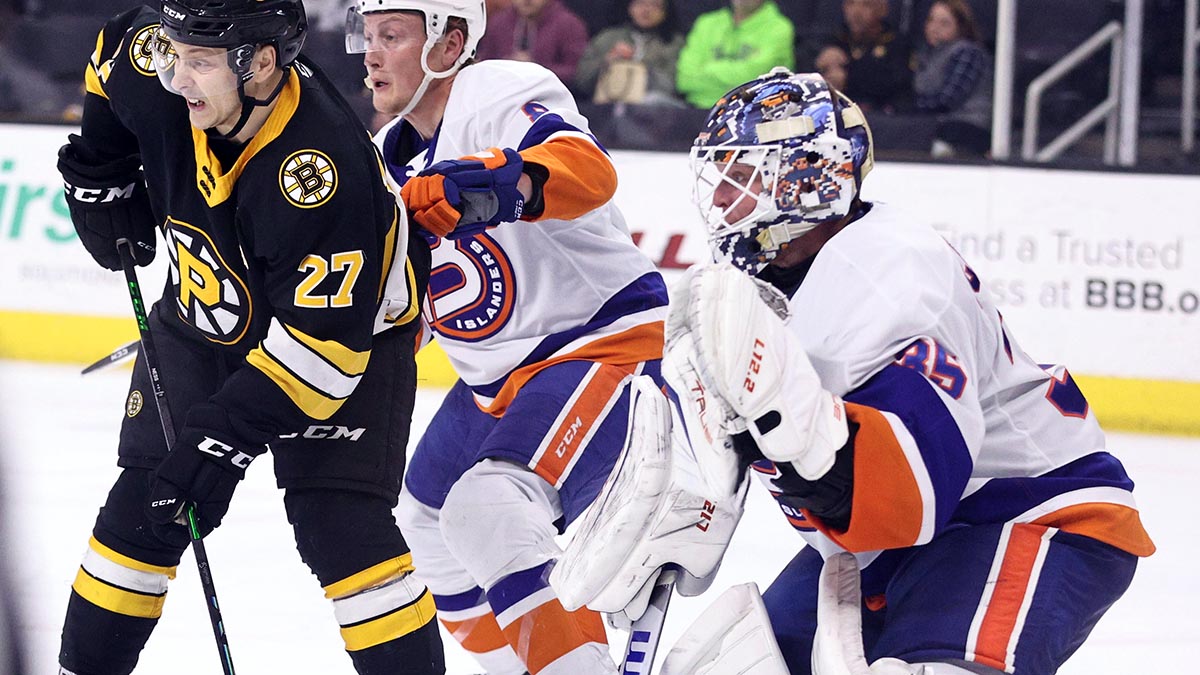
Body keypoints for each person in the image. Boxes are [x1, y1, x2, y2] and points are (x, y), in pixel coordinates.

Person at [554, 69, 1155, 675]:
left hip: (1023, 513)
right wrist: (666, 512)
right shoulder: (745, 288)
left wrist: (787, 431)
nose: (723, 200)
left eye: (744, 176)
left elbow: (913, 498)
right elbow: (708, 450)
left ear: (808, 177)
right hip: (876, 544)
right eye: (721, 179)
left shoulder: (890, 275)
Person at [54, 1, 443, 673]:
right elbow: (112, 53)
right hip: (206, 315)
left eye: (200, 63)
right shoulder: (158, 61)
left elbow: (324, 351)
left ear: (260, 63)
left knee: (342, 530)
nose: (177, 78)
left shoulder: (321, 170)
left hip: (347, 341)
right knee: (142, 511)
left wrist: (221, 440)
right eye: (175, 55)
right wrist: (99, 165)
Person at [346, 1, 669, 672]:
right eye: (367, 36)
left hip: (602, 345)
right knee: (427, 527)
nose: (371, 54)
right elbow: (404, 312)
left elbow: (588, 169)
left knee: (487, 507)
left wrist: (491, 187)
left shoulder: (494, 90)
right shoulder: (380, 160)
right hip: (493, 385)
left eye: (392, 35)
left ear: (449, 42)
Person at [675, 0, 794, 109]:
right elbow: (684, 79)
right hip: (698, 109)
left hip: (755, 112)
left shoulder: (780, 28)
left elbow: (757, 80)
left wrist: (708, 70)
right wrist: (734, 81)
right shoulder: (706, 23)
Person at [913, 0, 992, 157]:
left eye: (944, 23)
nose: (934, 28)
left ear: (961, 27)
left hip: (967, 126)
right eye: (931, 20)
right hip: (935, 124)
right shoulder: (925, 54)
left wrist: (911, 106)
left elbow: (947, 100)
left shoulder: (968, 53)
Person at [574, 0, 684, 106]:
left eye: (655, 5)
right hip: (608, 103)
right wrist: (606, 62)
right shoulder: (608, 38)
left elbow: (673, 86)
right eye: (640, 3)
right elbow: (581, 82)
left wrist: (640, 65)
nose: (646, 10)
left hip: (656, 108)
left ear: (666, 11)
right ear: (629, 6)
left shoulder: (673, 43)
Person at [816, 0, 911, 111]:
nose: (856, 12)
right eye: (851, 3)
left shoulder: (896, 43)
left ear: (883, 10)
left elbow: (895, 83)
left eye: (867, 5)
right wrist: (821, 66)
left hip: (880, 114)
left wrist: (847, 76)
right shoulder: (836, 38)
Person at [475, 0, 589, 86]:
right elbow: (484, 64)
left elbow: (577, 73)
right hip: (502, 93)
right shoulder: (499, 22)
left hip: (550, 97)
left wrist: (535, 68)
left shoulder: (569, 25)